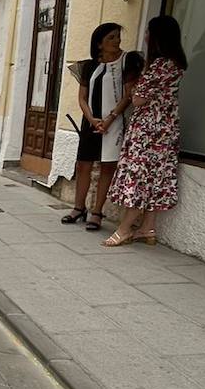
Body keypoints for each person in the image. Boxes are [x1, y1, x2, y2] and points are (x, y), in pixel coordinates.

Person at [104, 15, 187, 248]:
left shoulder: (160, 65)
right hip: (166, 129)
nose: (146, 36)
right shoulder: (176, 64)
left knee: (138, 178)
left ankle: (124, 230)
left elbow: (138, 99)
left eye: (149, 32)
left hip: (148, 131)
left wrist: (137, 83)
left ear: (158, 36)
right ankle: (147, 228)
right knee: (156, 178)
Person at [61, 23, 141, 232]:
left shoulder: (127, 61)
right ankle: (79, 208)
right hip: (91, 123)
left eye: (117, 37)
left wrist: (110, 118)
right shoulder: (89, 66)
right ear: (99, 43)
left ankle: (97, 212)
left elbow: (128, 95)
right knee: (83, 165)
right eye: (111, 38)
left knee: (107, 166)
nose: (117, 41)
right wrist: (92, 119)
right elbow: (82, 98)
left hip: (113, 124)